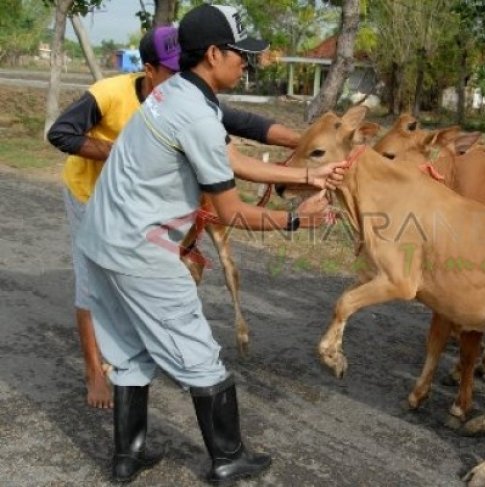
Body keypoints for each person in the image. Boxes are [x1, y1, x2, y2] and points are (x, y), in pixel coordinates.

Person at [75, 4, 346, 484]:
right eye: (242, 54)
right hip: (141, 249)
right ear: (215, 53)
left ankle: (127, 455)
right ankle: (228, 458)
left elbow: (230, 156)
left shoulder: (175, 93)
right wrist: (297, 221)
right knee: (199, 353)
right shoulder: (194, 113)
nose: (248, 62)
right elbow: (232, 213)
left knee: (130, 347)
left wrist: (307, 172)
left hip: (101, 239)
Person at [47, 26, 312, 409]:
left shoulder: (182, 96)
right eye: (175, 69)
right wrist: (122, 151)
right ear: (150, 69)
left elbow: (242, 123)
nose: (185, 75)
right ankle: (94, 370)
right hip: (93, 195)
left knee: (143, 281)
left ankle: (135, 370)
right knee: (94, 286)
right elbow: (61, 133)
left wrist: (305, 142)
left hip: (146, 206)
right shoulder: (110, 94)